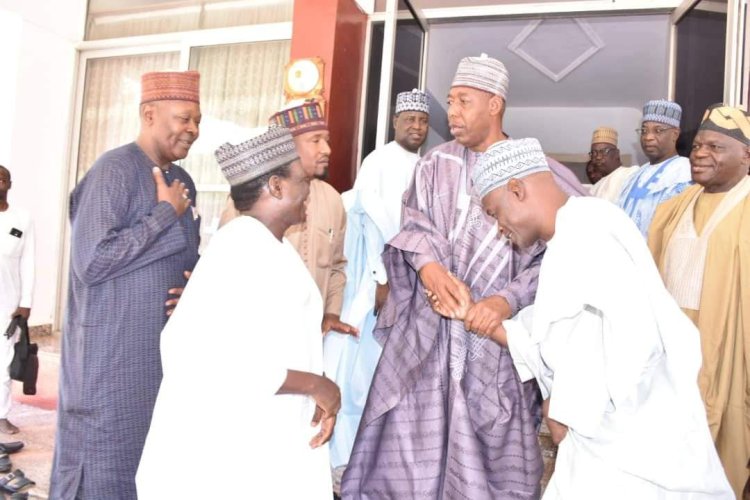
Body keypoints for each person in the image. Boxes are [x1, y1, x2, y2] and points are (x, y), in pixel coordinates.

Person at [341, 54, 587, 499]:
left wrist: (504, 301)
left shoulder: (539, 173)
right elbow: (413, 227)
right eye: (450, 101)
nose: (451, 112)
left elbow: (559, 256)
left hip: (494, 342)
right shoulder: (434, 164)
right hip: (427, 335)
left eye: (463, 101)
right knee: (406, 446)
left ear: (495, 104)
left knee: (491, 451)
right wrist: (430, 269)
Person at [464, 137, 733, 499]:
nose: (498, 227)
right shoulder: (570, 236)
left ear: (516, 189)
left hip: (631, 450)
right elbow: (554, 338)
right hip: (601, 444)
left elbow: (630, 336)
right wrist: (471, 314)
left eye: (495, 212)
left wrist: (565, 407)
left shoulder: (588, 230)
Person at [137, 127, 340, 499]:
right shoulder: (241, 248)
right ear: (276, 187)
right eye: (302, 181)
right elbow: (218, 361)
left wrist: (316, 387)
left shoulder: (270, 245)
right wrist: (317, 385)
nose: (308, 190)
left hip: (269, 432)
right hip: (238, 451)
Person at [50, 71, 202, 499]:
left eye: (197, 120)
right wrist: (163, 215)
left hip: (157, 357)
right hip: (108, 360)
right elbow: (91, 261)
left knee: (145, 468)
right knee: (99, 467)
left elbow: (187, 258)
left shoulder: (184, 183)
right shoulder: (113, 170)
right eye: (184, 118)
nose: (192, 129)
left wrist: (191, 285)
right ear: (149, 114)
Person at [323, 89, 430, 484]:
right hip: (374, 288)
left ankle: (370, 461)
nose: (417, 127)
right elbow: (369, 225)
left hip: (409, 285)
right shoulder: (378, 161)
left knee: (385, 376)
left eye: (422, 121)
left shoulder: (426, 165)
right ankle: (342, 461)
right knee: (356, 373)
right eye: (410, 121)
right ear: (395, 123)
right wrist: (381, 281)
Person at [649, 104, 750, 498]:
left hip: (728, 362)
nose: (700, 153)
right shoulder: (671, 210)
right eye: (698, 145)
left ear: (746, 155)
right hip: (671, 366)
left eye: (715, 147)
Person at [221, 100, 356, 336]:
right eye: (315, 140)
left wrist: (331, 313)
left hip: (310, 336)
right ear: (287, 147)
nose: (327, 149)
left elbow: (336, 266)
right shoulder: (256, 199)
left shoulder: (334, 200)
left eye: (327, 140)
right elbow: (227, 267)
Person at [617, 99, 692, 236]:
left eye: (658, 130)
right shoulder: (634, 177)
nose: (648, 137)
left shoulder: (684, 173)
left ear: (675, 134)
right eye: (644, 130)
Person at [0, 165, 34, 435]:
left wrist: (26, 302)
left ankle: (0, 415)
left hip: (7, 305)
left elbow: (29, 263)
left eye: (3, 178)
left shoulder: (22, 219)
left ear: (10, 184)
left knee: (3, 361)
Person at [588, 126, 637, 202]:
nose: (597, 157)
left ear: (617, 154)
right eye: (594, 153)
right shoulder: (594, 189)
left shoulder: (630, 173)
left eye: (603, 151)